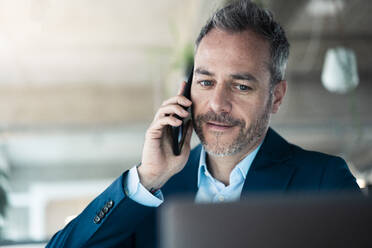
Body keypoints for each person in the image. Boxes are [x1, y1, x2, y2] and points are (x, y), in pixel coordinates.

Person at [46, 1, 360, 247]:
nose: (217, 104)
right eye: (206, 82)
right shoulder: (152, 191)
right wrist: (147, 179)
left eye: (241, 86)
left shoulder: (323, 181)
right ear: (187, 89)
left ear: (276, 97)